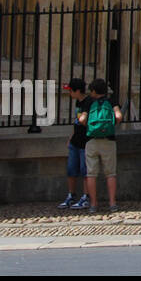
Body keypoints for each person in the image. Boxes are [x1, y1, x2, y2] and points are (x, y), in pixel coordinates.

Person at [78, 79, 122, 213]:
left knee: (91, 174)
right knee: (111, 174)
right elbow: (118, 116)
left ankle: (93, 204)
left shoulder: (89, 102)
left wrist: (90, 126)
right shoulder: (112, 101)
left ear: (93, 91)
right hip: (108, 140)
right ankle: (112, 204)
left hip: (91, 141)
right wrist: (109, 126)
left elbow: (82, 119)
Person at [59, 79, 91, 210]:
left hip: (85, 141)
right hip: (75, 141)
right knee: (71, 170)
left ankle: (86, 196)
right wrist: (71, 138)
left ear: (77, 91)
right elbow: (76, 123)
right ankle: (71, 195)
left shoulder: (89, 102)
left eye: (71, 90)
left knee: (85, 171)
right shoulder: (78, 102)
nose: (70, 93)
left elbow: (84, 121)